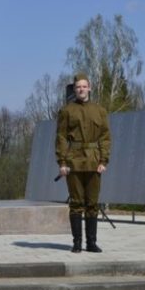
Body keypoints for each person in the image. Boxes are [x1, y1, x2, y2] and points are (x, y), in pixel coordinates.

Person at [55, 73, 111, 253]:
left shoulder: (100, 111)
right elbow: (62, 138)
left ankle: (92, 243)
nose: (81, 89)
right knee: (77, 203)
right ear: (75, 89)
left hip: (94, 161)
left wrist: (104, 160)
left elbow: (105, 137)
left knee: (92, 203)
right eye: (78, 87)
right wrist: (62, 162)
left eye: (84, 86)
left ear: (90, 88)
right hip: (74, 161)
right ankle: (77, 243)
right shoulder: (67, 111)